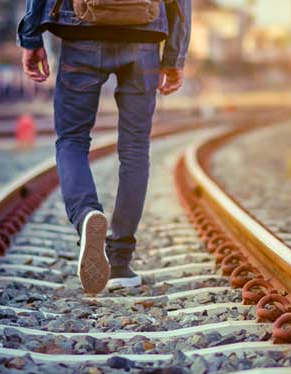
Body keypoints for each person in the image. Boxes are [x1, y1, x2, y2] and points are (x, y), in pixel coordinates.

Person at [18, 0, 191, 294]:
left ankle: (86, 213)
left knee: (72, 139)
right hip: (144, 35)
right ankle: (120, 263)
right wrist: (175, 56)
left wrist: (31, 36)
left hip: (81, 31)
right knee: (135, 147)